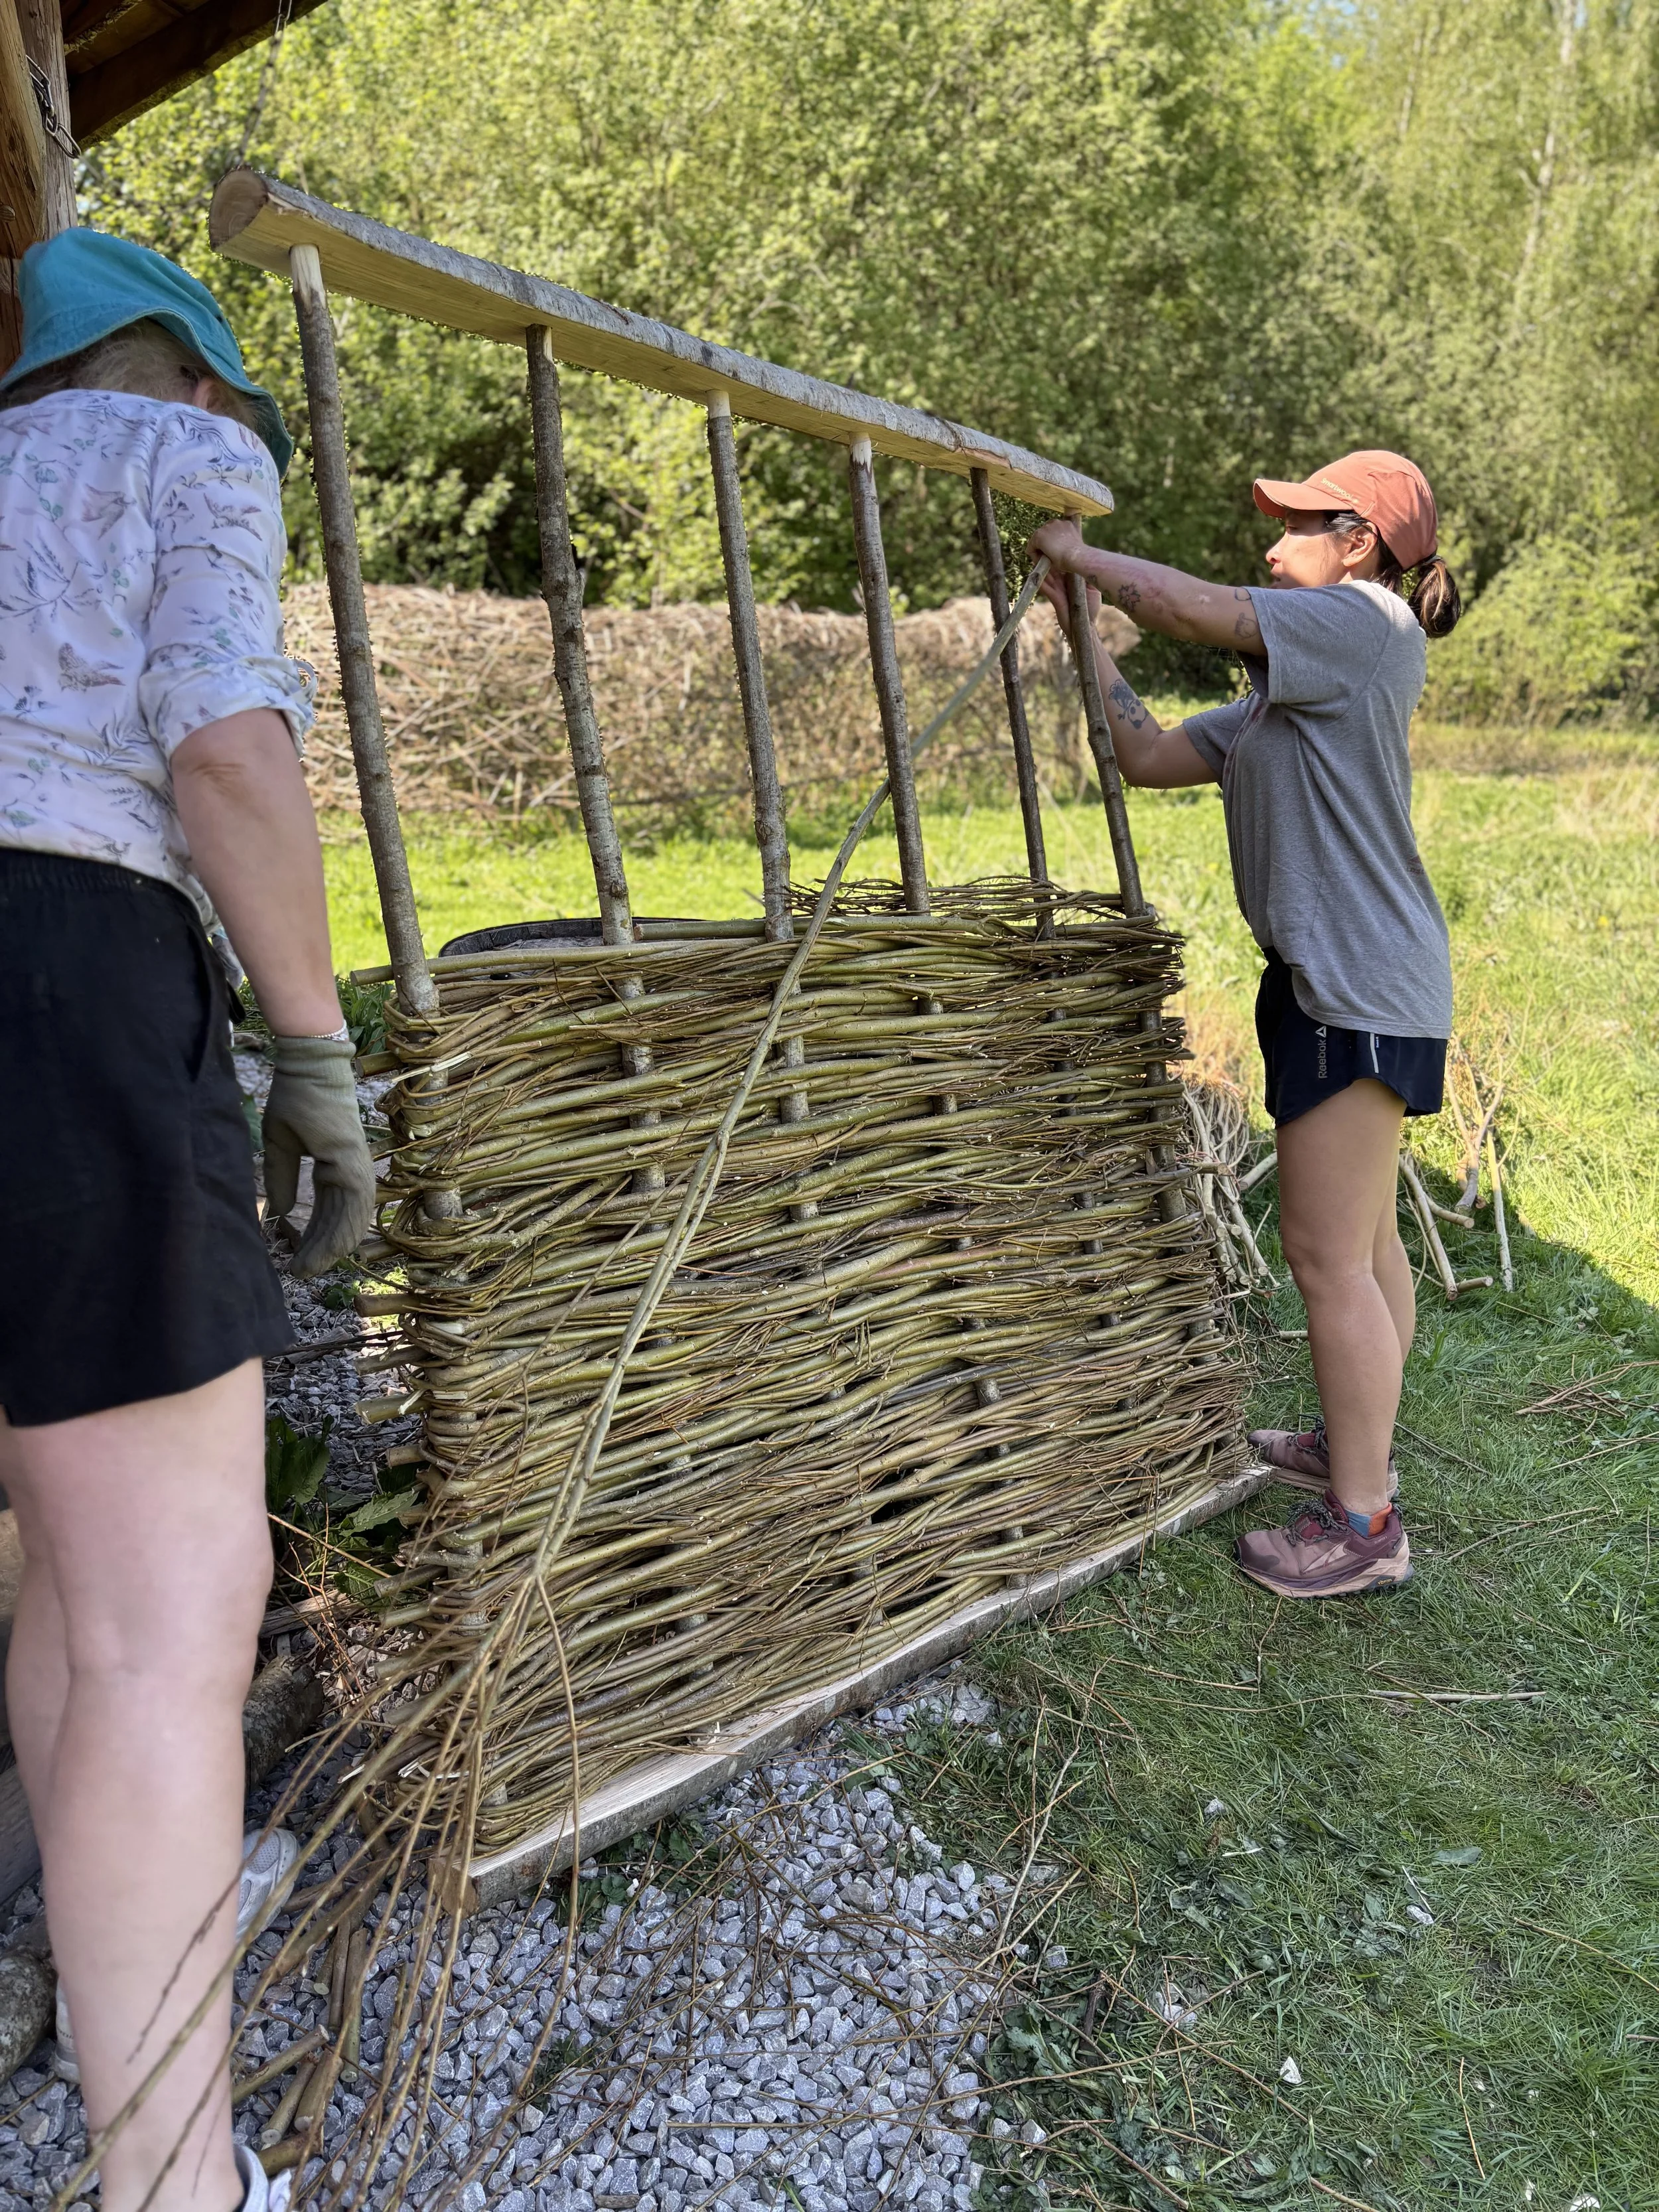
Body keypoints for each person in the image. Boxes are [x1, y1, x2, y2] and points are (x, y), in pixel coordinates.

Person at [0, 231, 376, 2212]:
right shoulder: (180, 461)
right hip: (57, 988)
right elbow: (224, 753)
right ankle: (174, 2189)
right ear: (200, 381)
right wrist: (310, 1059)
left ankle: (104, 1977)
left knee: (75, 1569)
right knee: (170, 1625)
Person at [1030, 450, 1461, 1601]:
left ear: (1361, 541)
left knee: (1327, 1260)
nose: (1272, 547)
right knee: (1365, 1251)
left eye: (1297, 526)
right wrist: (1083, 630)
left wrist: (1086, 559)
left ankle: (1364, 1525)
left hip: (1357, 985)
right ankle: (1349, 1445)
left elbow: (1200, 607)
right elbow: (1144, 753)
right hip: (1353, 980)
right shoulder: (1288, 694)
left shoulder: (1364, 625)